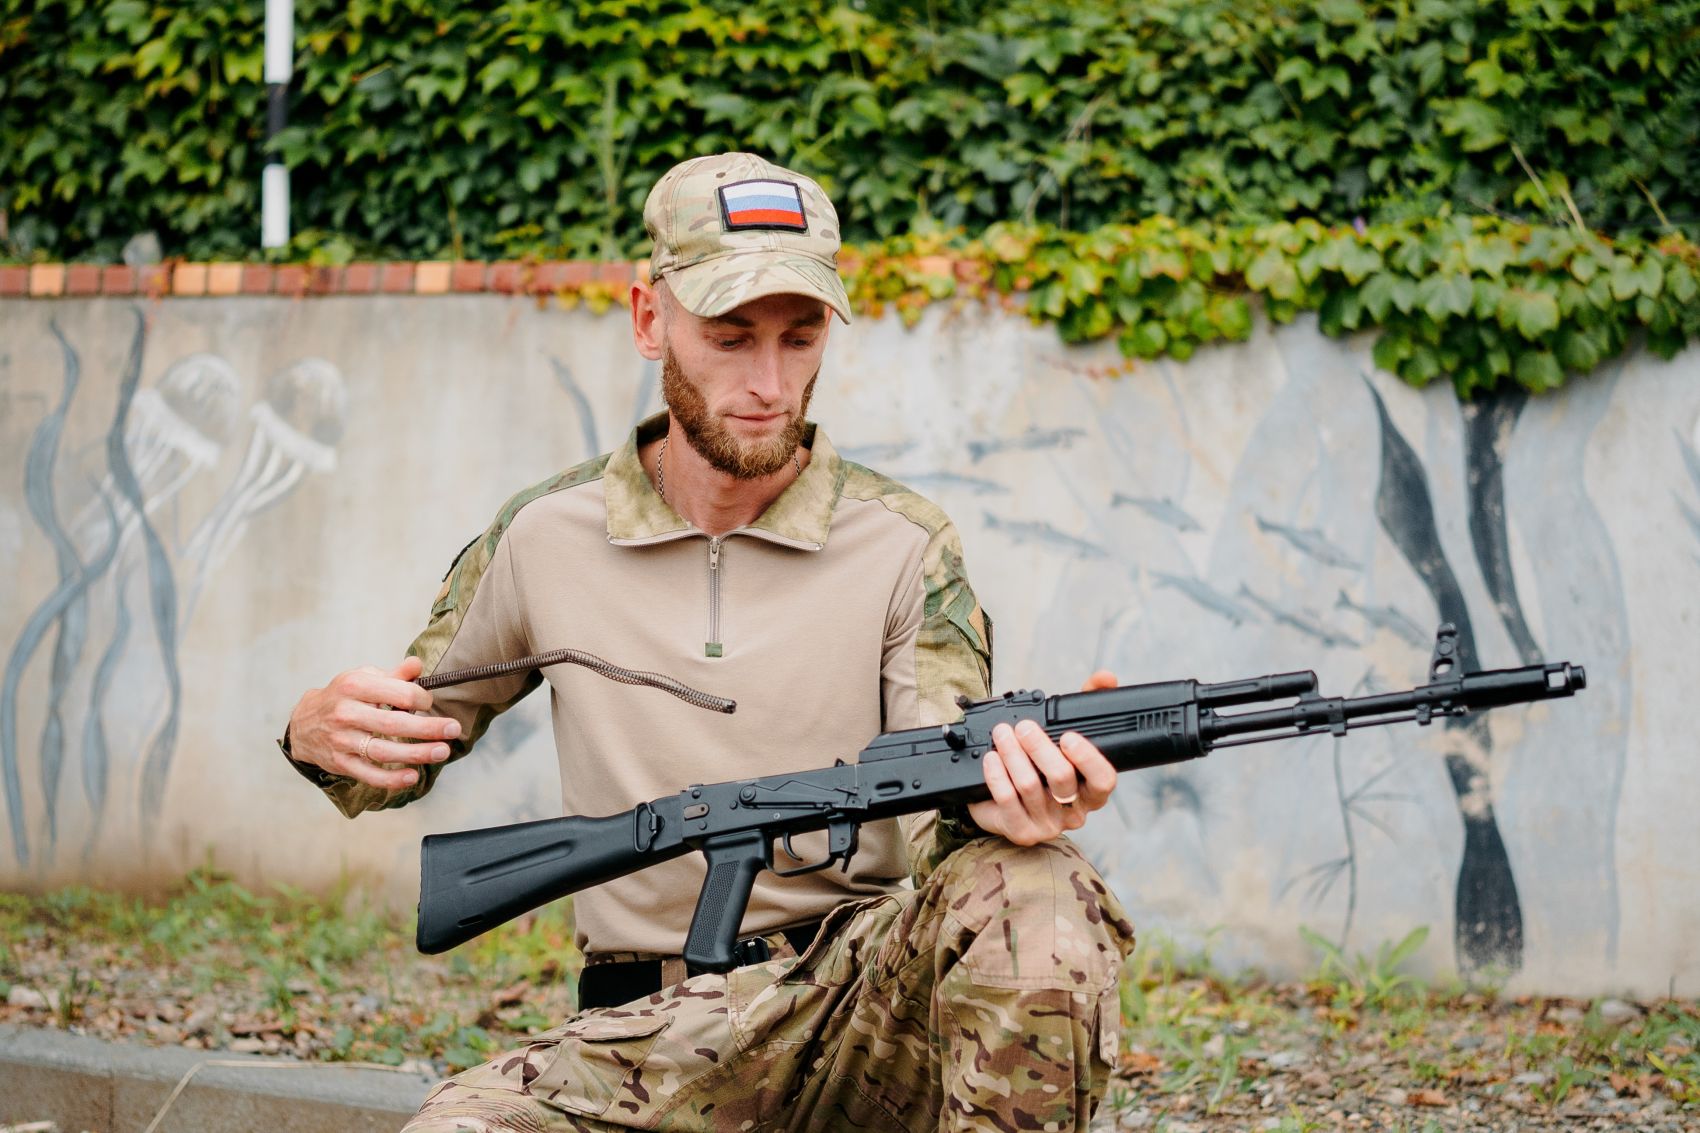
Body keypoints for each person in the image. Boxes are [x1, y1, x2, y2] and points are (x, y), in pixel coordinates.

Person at [280, 152, 1136, 1131]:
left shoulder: (905, 544)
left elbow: (941, 801)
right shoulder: (545, 532)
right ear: (650, 319)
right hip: (640, 1040)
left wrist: (1016, 800)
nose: (769, 383)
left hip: (854, 1017)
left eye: (799, 337)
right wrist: (318, 731)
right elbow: (393, 749)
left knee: (1038, 883)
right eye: (729, 337)